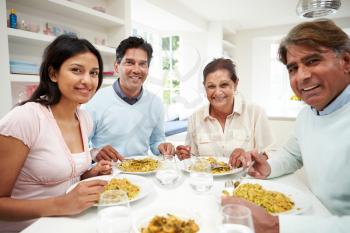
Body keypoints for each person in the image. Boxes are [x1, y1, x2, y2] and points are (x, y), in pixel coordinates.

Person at [225, 19, 350, 233]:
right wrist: (268, 167)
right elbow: (293, 155)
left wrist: (276, 226)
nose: (301, 76)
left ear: (346, 61)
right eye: (293, 68)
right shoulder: (306, 115)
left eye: (313, 61)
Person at [0, 35, 112, 232]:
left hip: (68, 224)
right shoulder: (26, 118)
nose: (87, 80)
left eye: (94, 73)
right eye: (76, 70)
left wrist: (89, 173)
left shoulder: (84, 119)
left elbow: (64, 177)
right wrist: (62, 204)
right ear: (53, 73)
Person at [83, 36, 174, 161]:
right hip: (107, 174)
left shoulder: (155, 103)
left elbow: (156, 141)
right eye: (130, 62)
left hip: (143, 173)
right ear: (116, 67)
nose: (136, 70)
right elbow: (79, 148)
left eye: (143, 64)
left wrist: (162, 146)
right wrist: (94, 153)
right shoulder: (95, 101)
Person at [175, 58, 276, 163]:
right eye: (211, 86)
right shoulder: (195, 118)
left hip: (245, 178)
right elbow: (193, 160)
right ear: (204, 87)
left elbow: (271, 152)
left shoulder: (255, 113)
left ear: (235, 84)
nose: (218, 92)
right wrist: (186, 156)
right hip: (207, 179)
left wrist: (250, 156)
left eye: (224, 85)